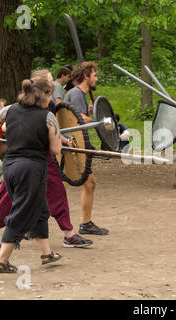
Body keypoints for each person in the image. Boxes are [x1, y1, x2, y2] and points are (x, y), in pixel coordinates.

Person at [0, 70, 93, 249]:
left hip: (41, 158)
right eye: (49, 81)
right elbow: (5, 125)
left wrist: (65, 140)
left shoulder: (47, 104)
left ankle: (66, 235)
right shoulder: (24, 105)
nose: (53, 84)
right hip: (23, 157)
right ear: (40, 87)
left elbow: (50, 130)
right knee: (9, 195)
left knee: (55, 193)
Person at [0, 76, 63, 273]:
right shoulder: (47, 117)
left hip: (10, 167)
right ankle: (2, 261)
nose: (51, 99)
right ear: (43, 94)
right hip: (31, 170)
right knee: (20, 213)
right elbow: (55, 150)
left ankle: (46, 254)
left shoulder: (10, 109)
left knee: (40, 208)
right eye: (50, 94)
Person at [64, 61, 109, 235]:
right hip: (71, 146)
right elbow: (78, 119)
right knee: (59, 186)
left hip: (74, 145)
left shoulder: (78, 94)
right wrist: (100, 119)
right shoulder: (76, 93)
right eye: (95, 75)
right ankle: (33, 224)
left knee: (89, 182)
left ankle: (86, 223)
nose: (96, 78)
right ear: (86, 76)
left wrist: (89, 112)